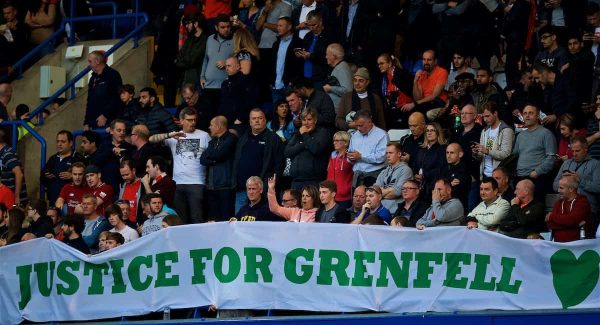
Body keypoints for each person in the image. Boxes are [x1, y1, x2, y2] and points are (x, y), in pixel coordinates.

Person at [149, 107, 210, 224]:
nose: (193, 123)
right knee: (180, 219)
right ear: (181, 121)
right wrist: (169, 135)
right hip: (177, 183)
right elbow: (151, 139)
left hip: (197, 183)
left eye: (194, 120)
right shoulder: (174, 136)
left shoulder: (204, 136)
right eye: (189, 120)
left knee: (197, 218)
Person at [233, 109, 284, 212]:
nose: (257, 121)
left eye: (260, 118)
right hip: (242, 189)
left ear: (265, 121)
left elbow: (280, 165)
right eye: (254, 118)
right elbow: (236, 161)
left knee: (260, 223)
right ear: (250, 122)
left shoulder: (274, 139)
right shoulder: (243, 138)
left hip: (262, 191)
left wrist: (269, 186)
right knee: (240, 223)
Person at [553, 136, 600, 229]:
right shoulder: (566, 163)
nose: (574, 154)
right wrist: (565, 182)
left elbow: (598, 187)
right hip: (565, 207)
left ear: (586, 149)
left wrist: (580, 181)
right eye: (572, 151)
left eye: (577, 151)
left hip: (587, 209)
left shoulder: (595, 164)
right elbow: (554, 186)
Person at [512, 104, 557, 201]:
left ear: (537, 116)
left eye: (531, 113)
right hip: (519, 178)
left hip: (537, 179)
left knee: (533, 210)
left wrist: (537, 172)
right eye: (525, 113)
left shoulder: (546, 133)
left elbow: (551, 157)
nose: (527, 116)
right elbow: (514, 156)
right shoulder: (520, 136)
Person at [201, 116, 238, 222]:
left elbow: (219, 154)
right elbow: (202, 159)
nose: (209, 127)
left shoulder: (231, 138)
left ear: (218, 126)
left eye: (211, 125)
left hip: (225, 186)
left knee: (226, 220)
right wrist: (213, 159)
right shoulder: (213, 141)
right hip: (212, 187)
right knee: (213, 220)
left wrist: (212, 157)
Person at [285, 108, 330, 190]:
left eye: (309, 119)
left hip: (313, 181)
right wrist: (304, 145)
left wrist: (305, 134)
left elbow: (316, 149)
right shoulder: (298, 134)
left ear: (315, 120)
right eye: (304, 120)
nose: (306, 123)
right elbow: (287, 152)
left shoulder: (322, 132)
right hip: (296, 181)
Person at [200, 14, 233, 117]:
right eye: (222, 27)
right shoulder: (210, 39)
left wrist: (227, 62)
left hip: (225, 87)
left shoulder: (235, 39)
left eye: (228, 27)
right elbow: (205, 59)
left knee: (222, 118)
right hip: (208, 86)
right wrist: (202, 76)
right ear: (216, 28)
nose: (226, 29)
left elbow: (240, 59)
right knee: (208, 118)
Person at [473, 102, 515, 179]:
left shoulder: (506, 130)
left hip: (499, 177)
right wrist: (476, 153)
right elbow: (482, 157)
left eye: (487, 116)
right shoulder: (484, 131)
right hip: (485, 174)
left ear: (495, 113)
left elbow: (506, 154)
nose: (485, 119)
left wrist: (487, 151)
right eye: (483, 117)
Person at [41, 130, 84, 204]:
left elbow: (87, 178)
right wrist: (46, 176)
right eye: (58, 141)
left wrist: (72, 176)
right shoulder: (53, 158)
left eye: (63, 141)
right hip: (53, 200)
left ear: (70, 143)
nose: (59, 144)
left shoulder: (78, 158)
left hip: (72, 202)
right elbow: (42, 177)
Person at [218, 55, 258, 134]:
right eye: (226, 66)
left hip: (240, 123)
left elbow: (250, 101)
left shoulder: (246, 81)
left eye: (229, 66)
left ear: (238, 67)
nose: (226, 68)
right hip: (225, 122)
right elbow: (222, 102)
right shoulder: (225, 83)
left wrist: (240, 119)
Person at [84, 50, 123, 130]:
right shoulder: (93, 78)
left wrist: (105, 115)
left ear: (97, 61)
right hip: (93, 122)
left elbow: (116, 97)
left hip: (108, 122)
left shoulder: (113, 75)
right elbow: (89, 101)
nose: (89, 64)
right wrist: (86, 122)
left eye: (90, 61)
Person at [546, 175, 593, 242]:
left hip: (578, 248)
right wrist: (574, 225)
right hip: (558, 247)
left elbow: (572, 220)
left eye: (561, 188)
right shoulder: (558, 203)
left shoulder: (582, 202)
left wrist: (552, 216)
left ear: (571, 189)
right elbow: (550, 224)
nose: (558, 190)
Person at [347, 111, 388, 187]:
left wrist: (361, 156)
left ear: (369, 122)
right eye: (356, 126)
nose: (358, 128)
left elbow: (381, 157)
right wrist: (350, 157)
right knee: (356, 199)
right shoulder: (355, 135)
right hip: (357, 176)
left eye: (361, 125)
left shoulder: (382, 135)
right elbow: (350, 153)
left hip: (374, 176)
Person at [402, 50, 448, 116]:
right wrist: (415, 81)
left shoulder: (442, 72)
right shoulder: (422, 74)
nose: (426, 62)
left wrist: (414, 104)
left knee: (416, 112)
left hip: (438, 102)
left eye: (429, 60)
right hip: (424, 103)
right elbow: (417, 98)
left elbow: (434, 96)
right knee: (405, 111)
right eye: (424, 59)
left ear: (435, 61)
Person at [95, 119, 135, 193]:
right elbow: (96, 161)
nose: (122, 133)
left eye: (124, 131)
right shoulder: (104, 145)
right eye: (119, 130)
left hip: (124, 188)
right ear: (111, 131)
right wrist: (111, 151)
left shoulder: (129, 147)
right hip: (106, 188)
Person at [296, 11, 334, 87]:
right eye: (308, 25)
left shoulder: (329, 36)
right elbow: (304, 51)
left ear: (320, 21)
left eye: (313, 25)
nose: (311, 28)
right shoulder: (308, 36)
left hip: (320, 79)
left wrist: (311, 56)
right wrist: (299, 54)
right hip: (306, 77)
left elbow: (330, 59)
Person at [269, 16, 301, 103]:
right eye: (277, 26)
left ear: (289, 27)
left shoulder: (298, 42)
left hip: (290, 86)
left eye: (281, 26)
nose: (278, 28)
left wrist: (292, 82)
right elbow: (272, 64)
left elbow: (299, 65)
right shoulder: (275, 44)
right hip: (276, 86)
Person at [377, 53, 414, 129]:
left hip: (406, 107)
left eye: (382, 63)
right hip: (395, 108)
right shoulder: (385, 77)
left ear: (390, 63)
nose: (379, 66)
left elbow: (410, 92)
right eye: (378, 64)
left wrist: (411, 103)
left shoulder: (400, 74)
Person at [413, 122, 447, 202]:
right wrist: (415, 174)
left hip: (433, 186)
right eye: (427, 131)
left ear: (438, 133)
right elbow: (415, 164)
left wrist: (424, 175)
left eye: (432, 130)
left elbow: (441, 169)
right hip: (420, 185)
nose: (429, 133)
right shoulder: (421, 149)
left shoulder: (442, 149)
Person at [374, 143, 413, 214]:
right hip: (379, 209)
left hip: (396, 212)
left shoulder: (406, 170)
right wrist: (389, 190)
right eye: (386, 153)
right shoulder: (384, 171)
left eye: (391, 153)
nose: (388, 155)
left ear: (399, 154)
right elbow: (375, 190)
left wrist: (380, 193)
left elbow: (397, 191)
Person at [176, 14, 207, 88]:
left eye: (188, 23)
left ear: (196, 24)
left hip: (197, 79)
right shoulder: (189, 39)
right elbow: (180, 55)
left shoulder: (205, 39)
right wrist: (180, 61)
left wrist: (179, 62)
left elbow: (192, 60)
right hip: (186, 77)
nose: (186, 26)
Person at [441, 143, 471, 212]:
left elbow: (456, 191)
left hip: (457, 209)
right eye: (447, 153)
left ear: (460, 154)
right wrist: (449, 184)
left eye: (452, 153)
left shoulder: (464, 170)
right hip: (443, 206)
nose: (448, 156)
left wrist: (446, 186)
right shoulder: (444, 168)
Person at [327, 131, 353, 208]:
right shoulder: (333, 156)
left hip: (345, 197)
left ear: (346, 143)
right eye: (334, 140)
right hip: (331, 196)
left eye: (337, 141)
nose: (334, 143)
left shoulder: (350, 157)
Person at [0, 129, 26, 205]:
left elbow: (19, 174)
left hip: (14, 200)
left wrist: (16, 196)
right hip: (6, 198)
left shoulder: (7, 153)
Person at [323, 43, 352, 109]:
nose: (326, 57)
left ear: (334, 56)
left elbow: (348, 91)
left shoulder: (342, 68)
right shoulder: (339, 67)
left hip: (340, 111)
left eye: (327, 54)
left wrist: (330, 88)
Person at [117, 160, 144, 224]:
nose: (125, 177)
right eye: (123, 175)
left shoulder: (143, 184)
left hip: (137, 224)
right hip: (124, 224)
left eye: (127, 174)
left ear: (133, 171)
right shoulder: (121, 186)